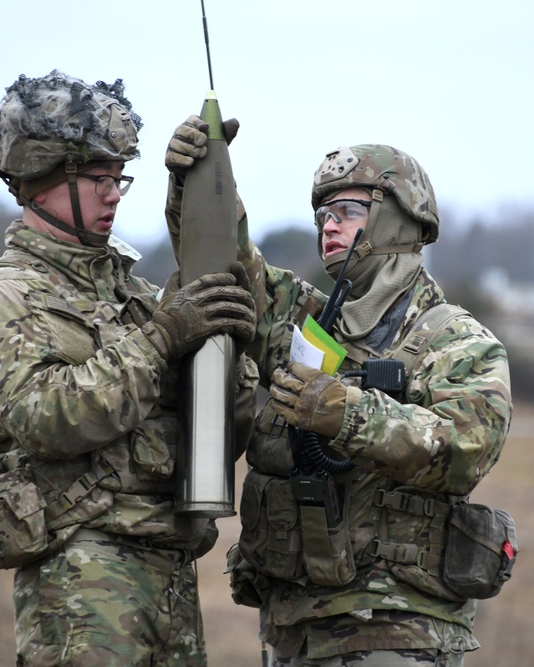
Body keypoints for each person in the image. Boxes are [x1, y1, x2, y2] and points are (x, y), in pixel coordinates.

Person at [164, 117, 513, 666]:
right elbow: (230, 270)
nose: (328, 226)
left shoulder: (457, 340)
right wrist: (198, 183)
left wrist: (345, 414)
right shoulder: (311, 324)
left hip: (396, 628)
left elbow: (464, 449)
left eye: (348, 212)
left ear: (398, 217)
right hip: (294, 628)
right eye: (323, 215)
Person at [0, 71, 259, 667]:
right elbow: (48, 417)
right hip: (80, 576)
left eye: (120, 178)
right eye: (99, 179)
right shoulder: (7, 295)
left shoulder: (138, 296)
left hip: (169, 569)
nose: (115, 194)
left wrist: (229, 356)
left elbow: (226, 434)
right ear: (42, 180)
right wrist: (165, 337)